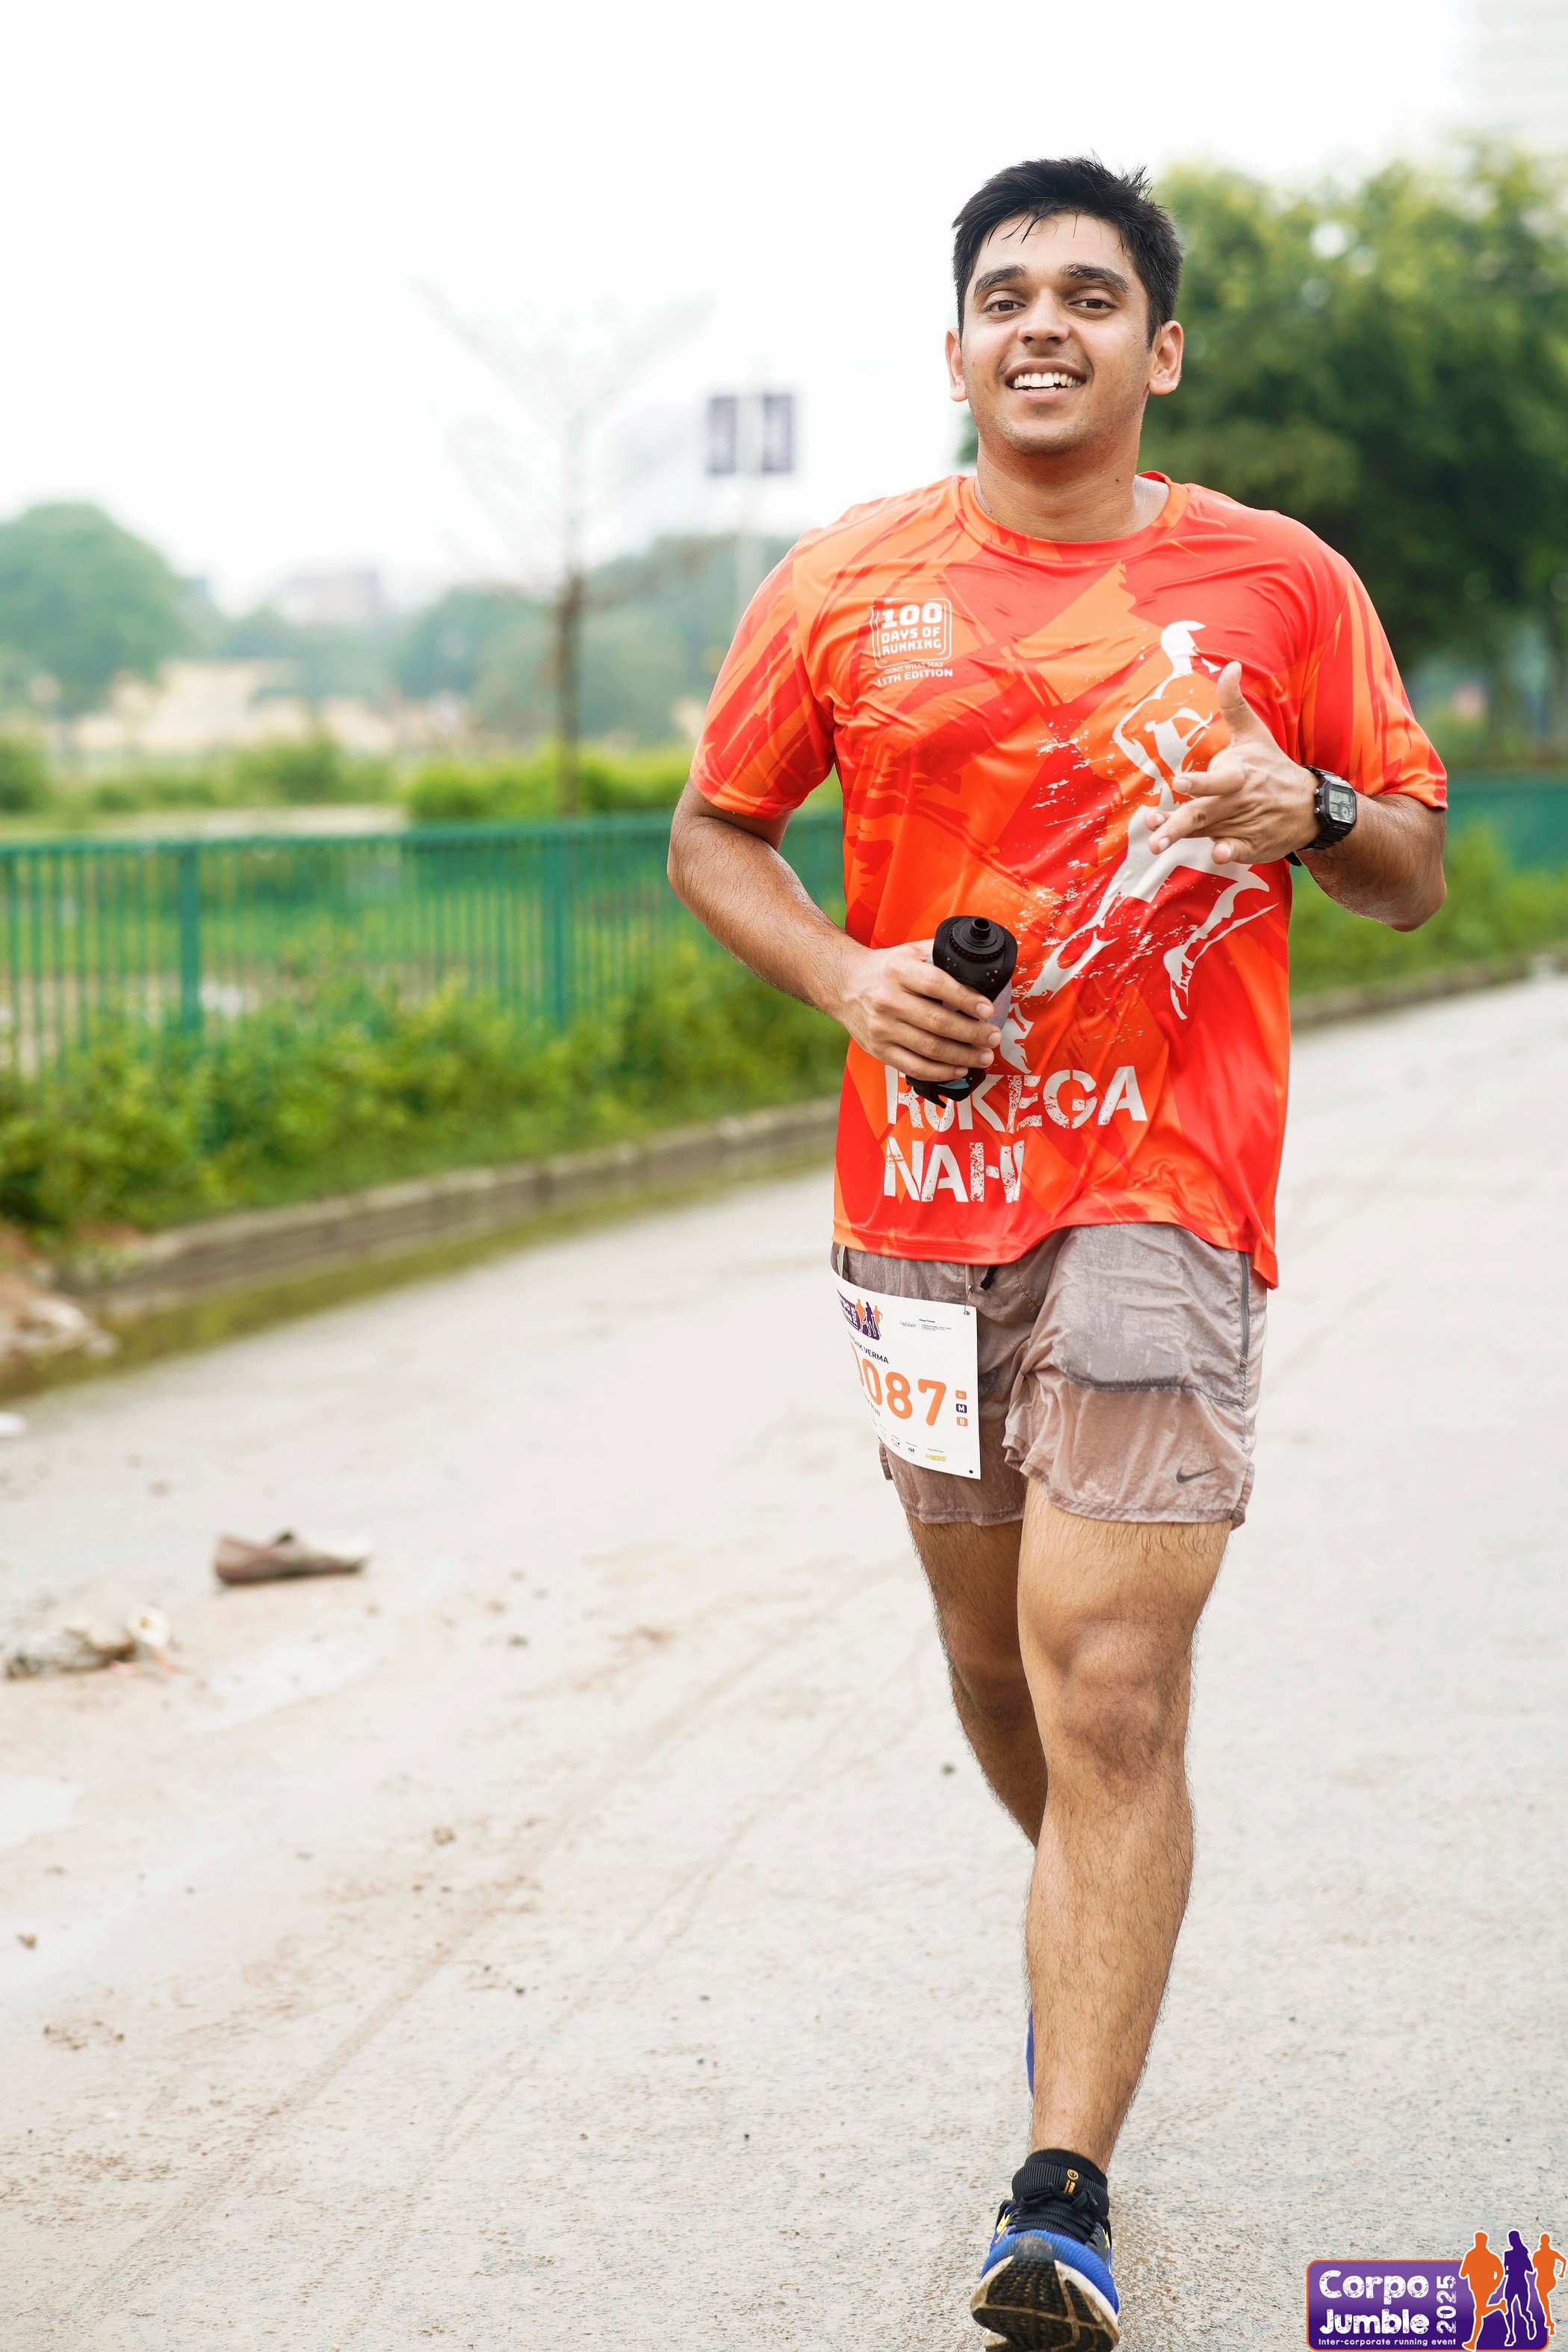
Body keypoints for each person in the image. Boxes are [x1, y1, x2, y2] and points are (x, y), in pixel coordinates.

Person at [668, 154, 1445, 2350]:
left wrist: (1304, 806)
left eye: (1089, 294)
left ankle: (1061, 2182)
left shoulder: (1275, 582)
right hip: (918, 1205)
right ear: (954, 349)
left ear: (1156, 347)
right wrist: (844, 973)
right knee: (994, 1663)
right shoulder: (847, 581)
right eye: (1004, 293)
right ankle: (1096, 1906)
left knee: (1105, 1674)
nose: (1043, 323)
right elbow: (714, 831)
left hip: (1162, 1182)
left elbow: (1405, 858)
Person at [1534, 2234, 1564, 2339]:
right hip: (1552, 2280)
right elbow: (1564, 2261)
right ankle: (1549, 2321)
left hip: (1542, 2281)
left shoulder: (1537, 2254)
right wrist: (1561, 2273)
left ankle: (1549, 2322)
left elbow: (1533, 2269)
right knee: (1544, 2299)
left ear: (1541, 2242)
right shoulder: (1553, 2253)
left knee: (1544, 2299)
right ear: (1549, 2241)